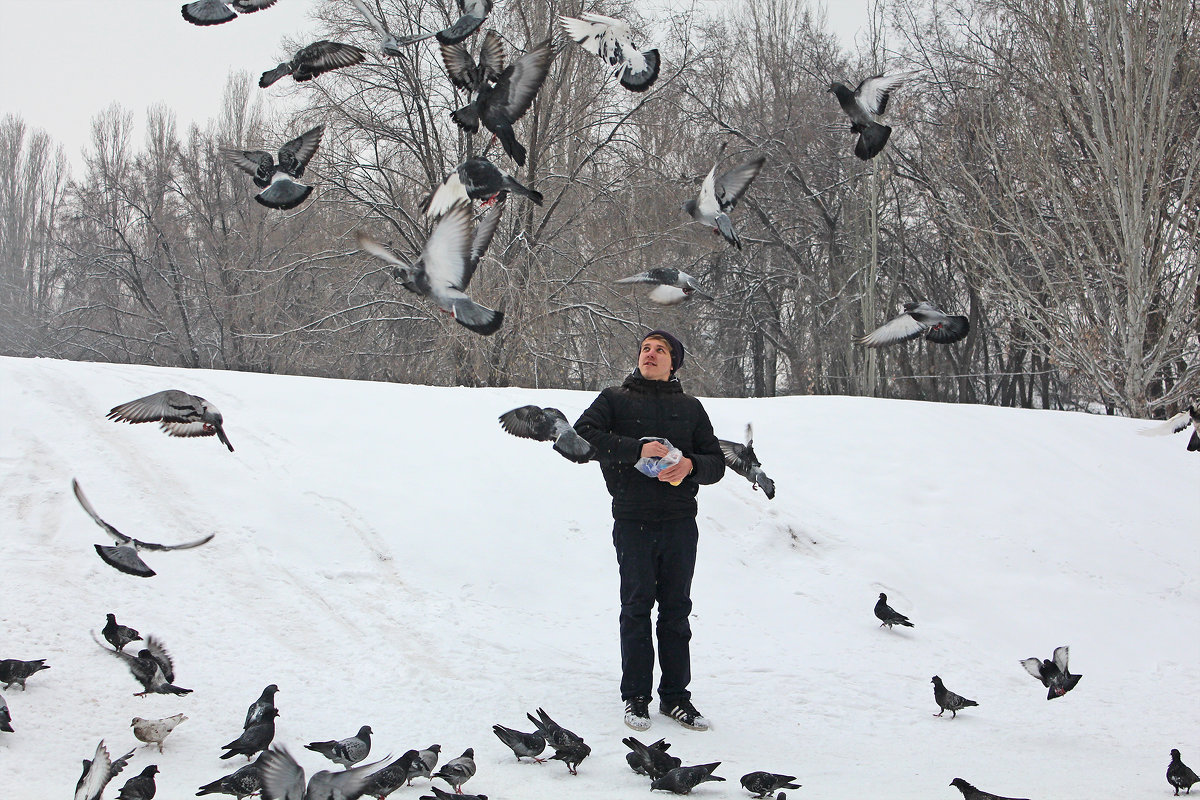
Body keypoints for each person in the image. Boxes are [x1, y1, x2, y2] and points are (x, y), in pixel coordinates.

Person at [574, 330, 726, 731]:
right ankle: (636, 697)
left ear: (674, 362)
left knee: (676, 611)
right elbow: (582, 436)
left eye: (660, 350)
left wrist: (691, 464)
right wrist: (635, 449)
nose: (651, 354)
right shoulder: (614, 399)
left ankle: (676, 698)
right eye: (645, 348)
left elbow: (716, 462)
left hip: (679, 522)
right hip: (632, 519)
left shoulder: (691, 408)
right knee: (636, 609)